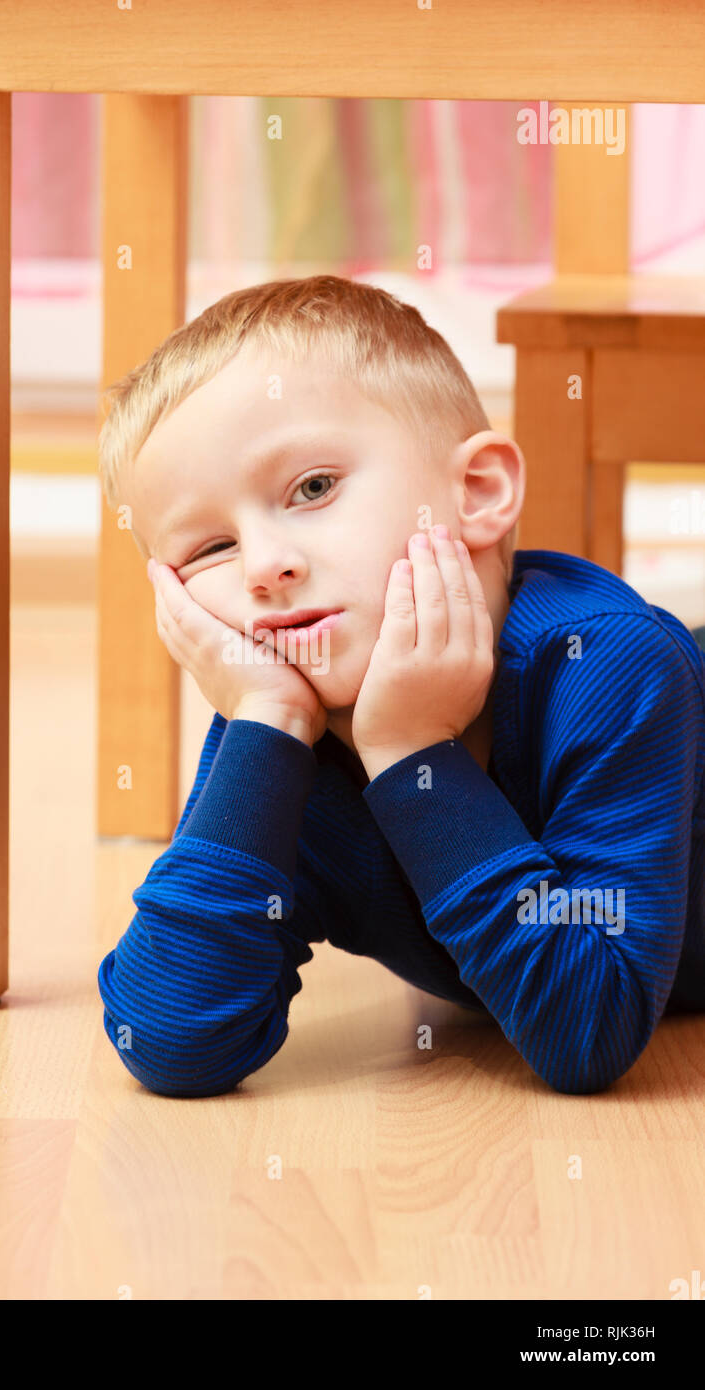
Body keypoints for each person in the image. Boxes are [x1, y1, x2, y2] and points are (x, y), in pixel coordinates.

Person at [95, 274, 705, 1097]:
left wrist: (412, 749)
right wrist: (266, 722)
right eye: (209, 550)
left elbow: (588, 1031)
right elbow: (170, 1039)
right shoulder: (280, 735)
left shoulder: (607, 667)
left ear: (477, 491)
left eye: (313, 488)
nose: (266, 568)